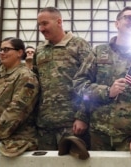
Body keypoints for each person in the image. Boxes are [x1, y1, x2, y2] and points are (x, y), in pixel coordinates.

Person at [72, 6, 131, 152]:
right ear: (116, 23)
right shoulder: (99, 51)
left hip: (128, 137)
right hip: (98, 133)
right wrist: (106, 92)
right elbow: (80, 83)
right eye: (128, 17)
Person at [34, 7, 91, 159]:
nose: (41, 29)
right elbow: (36, 86)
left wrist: (83, 116)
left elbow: (90, 82)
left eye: (45, 23)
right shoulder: (39, 50)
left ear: (59, 22)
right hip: (44, 125)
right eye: (39, 25)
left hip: (72, 124)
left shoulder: (80, 45)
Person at [0, 37, 39, 157]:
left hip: (16, 137)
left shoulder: (26, 76)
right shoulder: (0, 74)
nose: (2, 53)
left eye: (6, 49)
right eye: (1, 50)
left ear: (19, 53)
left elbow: (17, 109)